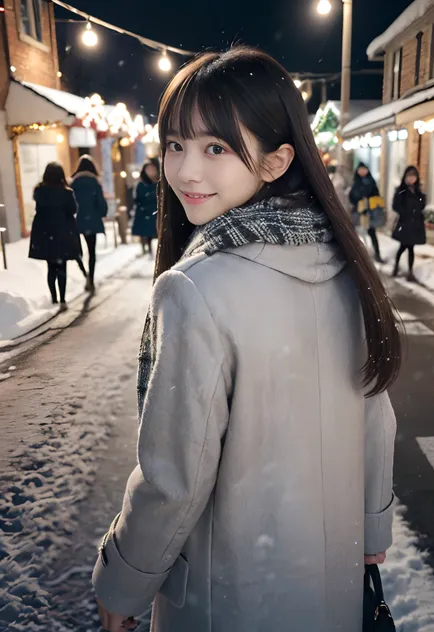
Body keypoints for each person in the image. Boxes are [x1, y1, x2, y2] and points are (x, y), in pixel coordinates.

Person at [93, 47, 399, 632]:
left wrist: (122, 581)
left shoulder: (194, 289)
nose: (185, 171)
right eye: (176, 144)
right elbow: (375, 413)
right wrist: (372, 526)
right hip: (329, 583)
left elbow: (174, 479)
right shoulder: (343, 263)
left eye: (216, 148)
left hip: (229, 595)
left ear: (276, 159)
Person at [28, 162, 82, 311]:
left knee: (51, 267)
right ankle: (63, 300)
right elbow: (72, 210)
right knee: (61, 267)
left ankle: (54, 298)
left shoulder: (39, 192)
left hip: (45, 233)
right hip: (62, 232)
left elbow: (39, 209)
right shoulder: (66, 192)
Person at [71, 155, 108, 293]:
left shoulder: (73, 183)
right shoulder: (95, 182)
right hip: (92, 220)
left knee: (77, 251)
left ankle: (84, 272)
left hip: (76, 220)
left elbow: (71, 203)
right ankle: (90, 279)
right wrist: (102, 213)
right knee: (92, 252)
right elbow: (101, 203)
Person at [392, 166, 426, 282]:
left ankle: (410, 272)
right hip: (405, 223)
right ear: (405, 177)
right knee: (403, 246)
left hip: (415, 223)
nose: (411, 179)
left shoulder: (418, 191)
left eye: (413, 177)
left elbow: (422, 204)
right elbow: (396, 205)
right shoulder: (401, 190)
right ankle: (396, 266)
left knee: (411, 248)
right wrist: (405, 213)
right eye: (409, 176)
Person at [349, 163, 384, 263]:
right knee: (356, 234)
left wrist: (371, 204)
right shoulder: (356, 182)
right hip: (358, 212)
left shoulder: (371, 182)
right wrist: (359, 203)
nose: (362, 171)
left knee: (372, 233)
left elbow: (376, 195)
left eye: (364, 169)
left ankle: (377, 254)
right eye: (360, 169)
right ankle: (357, 255)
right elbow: (352, 198)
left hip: (370, 212)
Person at [132, 160, 160, 256]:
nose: (151, 171)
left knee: (155, 231)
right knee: (145, 232)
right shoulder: (141, 184)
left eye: (152, 169)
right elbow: (139, 198)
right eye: (148, 169)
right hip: (144, 211)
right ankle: (146, 248)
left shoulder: (159, 182)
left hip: (155, 210)